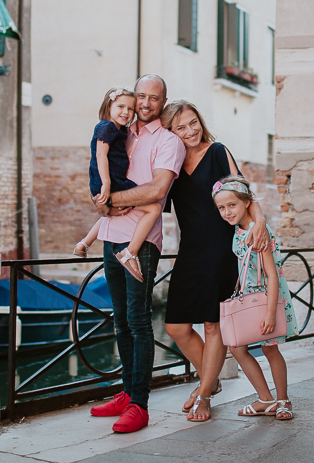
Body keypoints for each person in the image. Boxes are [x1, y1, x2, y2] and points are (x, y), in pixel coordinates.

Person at [160, 100, 272, 422]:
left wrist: (259, 220)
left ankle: (205, 393)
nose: (190, 130)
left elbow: (242, 191)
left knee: (212, 325)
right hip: (190, 251)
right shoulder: (172, 163)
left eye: (193, 122)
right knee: (176, 327)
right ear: (170, 132)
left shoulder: (217, 151)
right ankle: (210, 379)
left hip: (222, 249)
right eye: (180, 127)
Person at [87, 74, 185, 433]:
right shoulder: (121, 132)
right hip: (111, 237)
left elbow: (157, 191)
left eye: (153, 98)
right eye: (140, 96)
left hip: (140, 243)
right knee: (120, 320)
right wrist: (100, 202)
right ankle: (127, 394)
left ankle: (140, 405)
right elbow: (103, 172)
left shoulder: (169, 141)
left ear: (162, 101)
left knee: (139, 320)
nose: (144, 103)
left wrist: (110, 199)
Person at [212, 175, 297, 421]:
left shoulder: (257, 232)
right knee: (237, 347)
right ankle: (265, 399)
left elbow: (271, 274)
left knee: (270, 349)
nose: (227, 212)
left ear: (247, 203)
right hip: (250, 297)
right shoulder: (239, 229)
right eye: (222, 208)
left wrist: (270, 313)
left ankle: (283, 400)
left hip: (265, 298)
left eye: (232, 205)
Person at [72, 86, 161, 282]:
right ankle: (131, 253)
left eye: (130, 109)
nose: (126, 112)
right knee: (154, 208)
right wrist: (106, 185)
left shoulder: (119, 131)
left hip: (113, 182)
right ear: (108, 106)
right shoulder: (105, 127)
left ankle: (84, 243)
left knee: (112, 212)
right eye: (120, 106)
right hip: (112, 182)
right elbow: (100, 155)